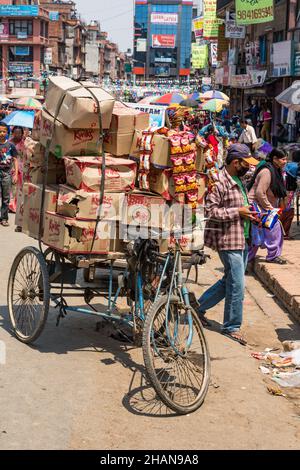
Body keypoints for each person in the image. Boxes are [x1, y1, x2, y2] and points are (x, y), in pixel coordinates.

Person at [196, 144, 259, 345]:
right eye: (246, 163)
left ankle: (198, 308)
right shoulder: (219, 182)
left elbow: (240, 206)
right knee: (237, 284)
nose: (249, 168)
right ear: (235, 163)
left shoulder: (239, 179)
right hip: (228, 239)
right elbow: (210, 212)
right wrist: (237, 212)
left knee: (229, 280)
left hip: (241, 237)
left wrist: (251, 214)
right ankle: (231, 326)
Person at [247, 148, 288, 264]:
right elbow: (260, 193)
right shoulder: (267, 172)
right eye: (283, 159)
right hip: (256, 206)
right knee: (271, 228)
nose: (285, 161)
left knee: (257, 235)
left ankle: (247, 261)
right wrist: (271, 209)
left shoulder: (275, 170)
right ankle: (272, 256)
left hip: (261, 206)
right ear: (275, 159)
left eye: (286, 159)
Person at [0, 123, 18, 226]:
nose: (2, 133)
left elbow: (15, 160)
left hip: (7, 174)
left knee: (6, 198)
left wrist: (15, 174)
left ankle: (4, 218)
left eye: (4, 131)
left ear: (7, 133)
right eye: (0, 131)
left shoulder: (11, 145)